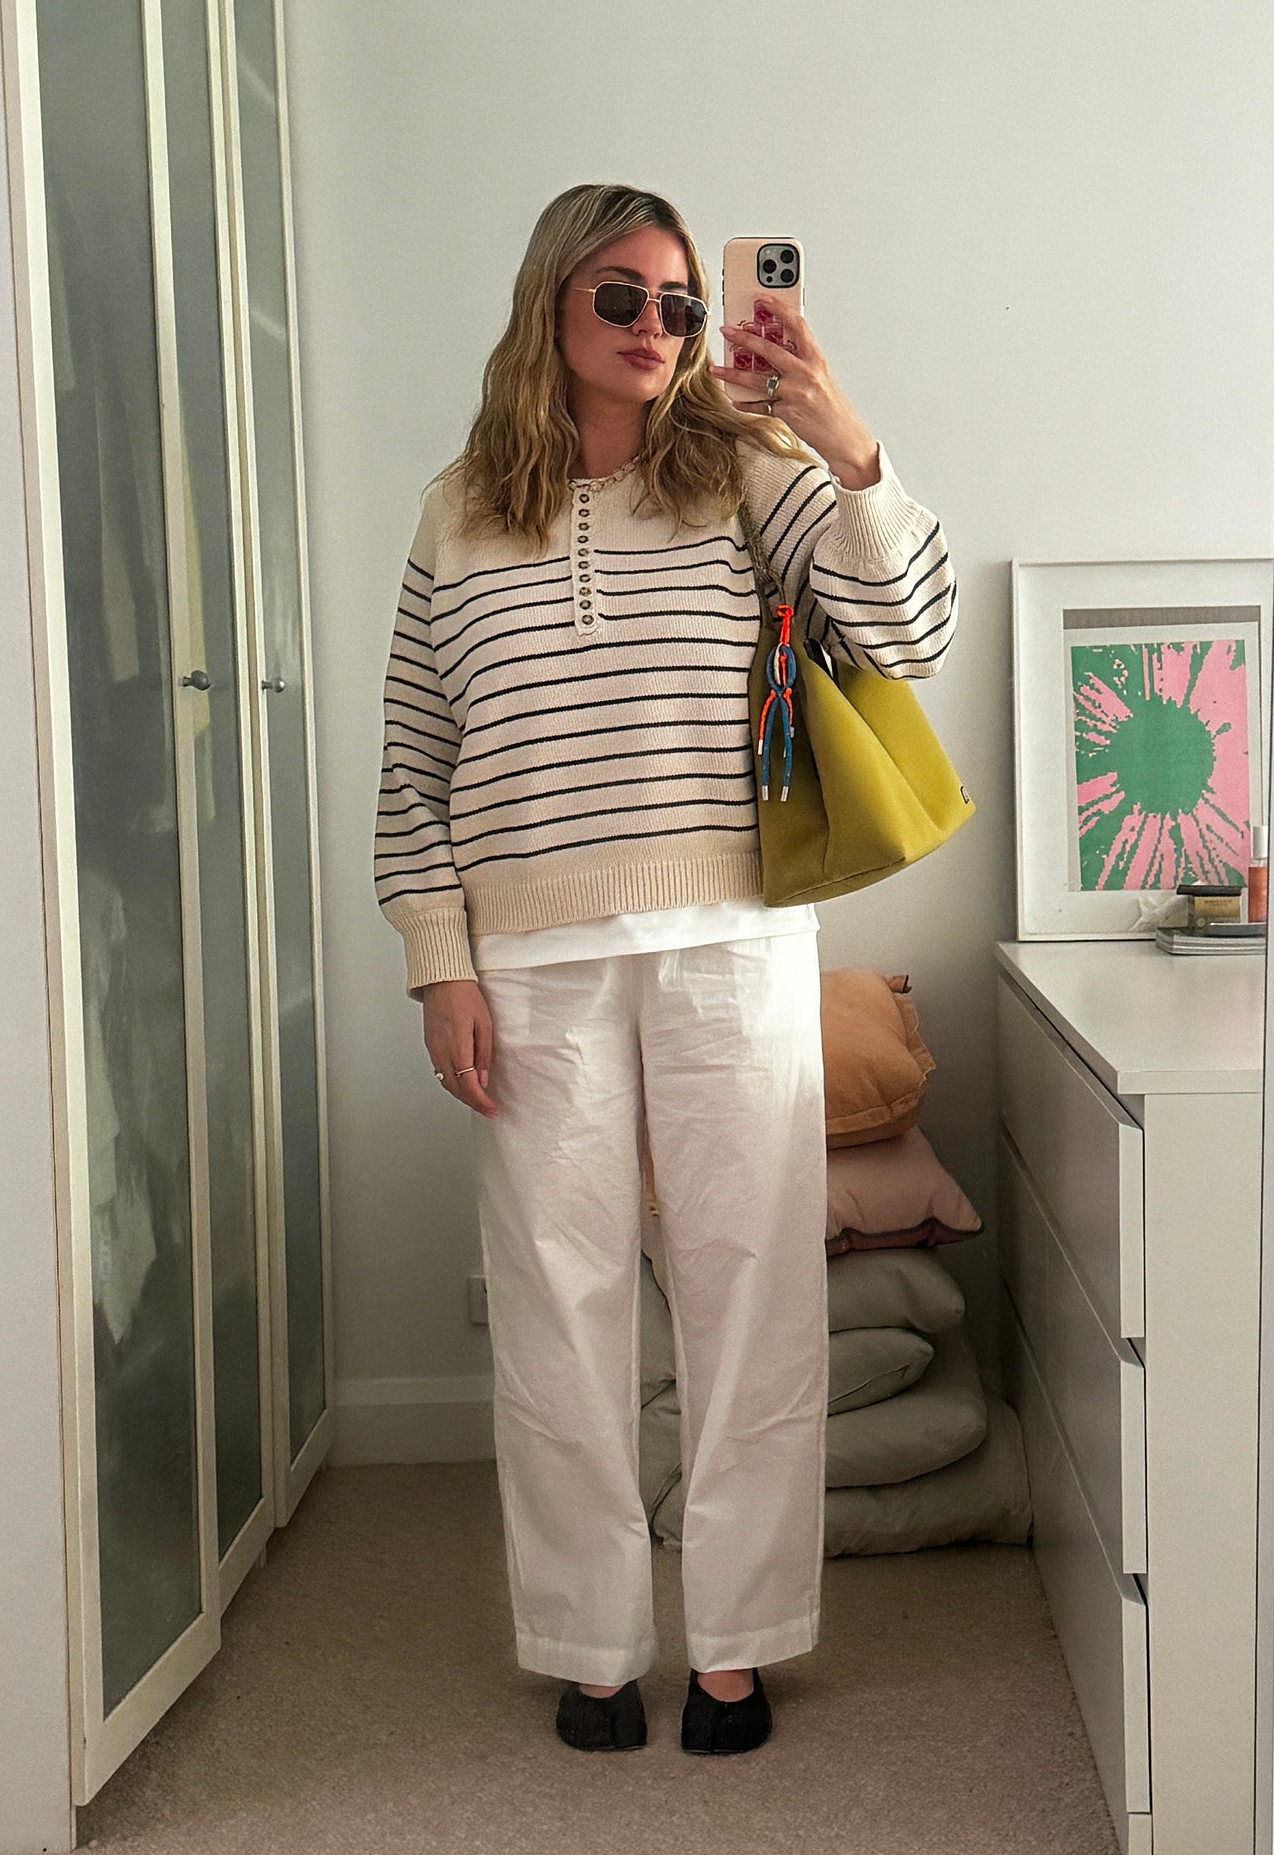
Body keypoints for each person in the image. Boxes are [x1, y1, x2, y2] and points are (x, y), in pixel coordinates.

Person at [373, 183, 958, 1755]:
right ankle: (590, 1644)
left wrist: (841, 438)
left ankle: (738, 1649)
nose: (657, 327)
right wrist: (440, 963)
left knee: (751, 1300)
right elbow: (415, 759)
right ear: (550, 302)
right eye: (622, 296)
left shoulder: (749, 471)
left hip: (732, 943)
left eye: (682, 304)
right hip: (531, 959)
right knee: (556, 1310)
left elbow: (910, 634)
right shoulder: (457, 510)